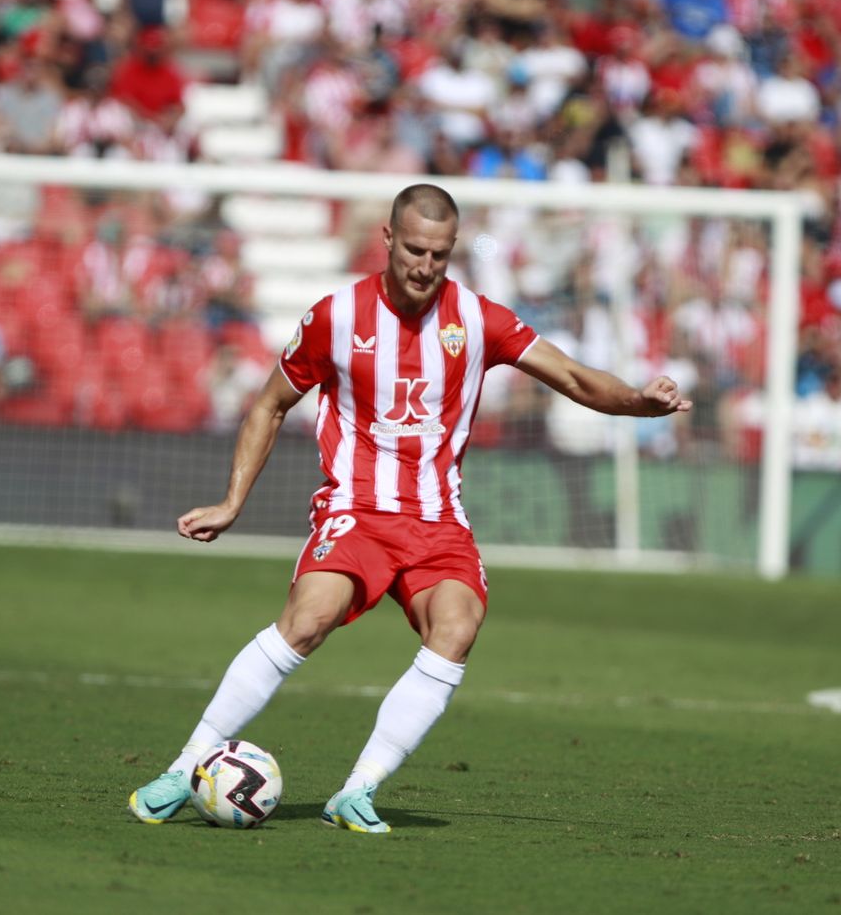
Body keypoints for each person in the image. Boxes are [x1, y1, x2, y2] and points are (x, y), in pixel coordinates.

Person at [127, 184, 692, 833]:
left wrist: (637, 402)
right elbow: (269, 403)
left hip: (437, 520)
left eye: (441, 255)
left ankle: (356, 792)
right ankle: (185, 765)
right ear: (389, 240)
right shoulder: (335, 316)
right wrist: (232, 502)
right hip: (357, 509)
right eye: (416, 250)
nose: (426, 266)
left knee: (458, 627)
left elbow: (571, 376)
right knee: (309, 620)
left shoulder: (479, 319)